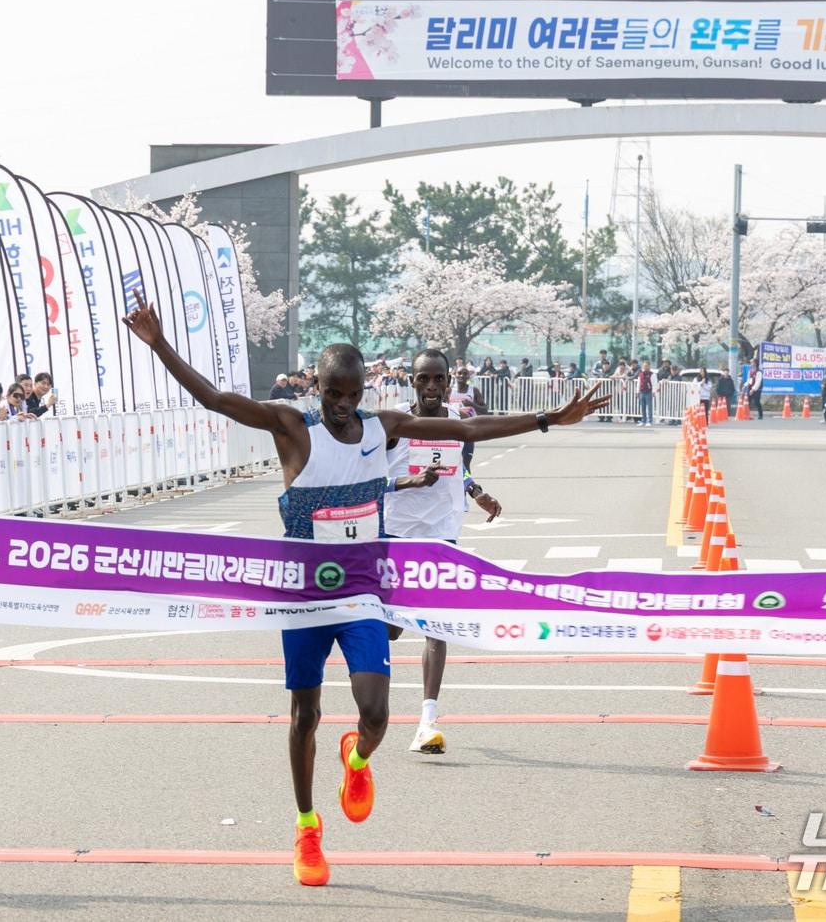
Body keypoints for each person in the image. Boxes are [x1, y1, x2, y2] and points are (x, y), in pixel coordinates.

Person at [121, 297, 608, 888]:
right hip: (302, 596)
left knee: (375, 714)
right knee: (305, 717)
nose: (344, 408)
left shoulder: (384, 427)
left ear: (364, 393)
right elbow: (216, 401)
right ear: (317, 388)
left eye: (352, 396)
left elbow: (466, 428)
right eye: (334, 395)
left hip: (360, 594)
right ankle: (306, 826)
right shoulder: (292, 426)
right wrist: (159, 343)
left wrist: (549, 418)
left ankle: (357, 759)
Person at [383, 349, 502, 757]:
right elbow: (366, 478)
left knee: (437, 625)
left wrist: (476, 491)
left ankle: (427, 721)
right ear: (411, 381)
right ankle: (373, 707)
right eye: (423, 379)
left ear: (449, 382)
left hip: (441, 533)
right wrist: (406, 483)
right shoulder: (392, 423)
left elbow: (460, 466)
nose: (431, 386)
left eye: (438, 379)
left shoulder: (458, 424)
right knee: (391, 629)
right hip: (396, 533)